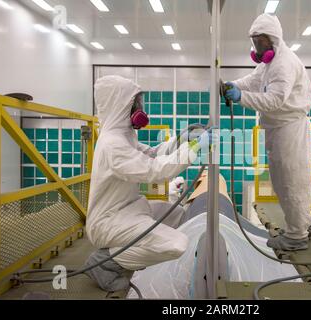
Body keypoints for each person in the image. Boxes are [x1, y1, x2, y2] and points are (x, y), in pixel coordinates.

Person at [84, 75, 214, 292]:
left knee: (177, 214)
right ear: (120, 104)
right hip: (109, 222)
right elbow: (155, 170)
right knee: (176, 244)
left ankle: (124, 254)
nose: (140, 109)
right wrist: (193, 149)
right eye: (135, 103)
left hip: (129, 211)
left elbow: (152, 155)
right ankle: (106, 261)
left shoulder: (123, 136)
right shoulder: (112, 145)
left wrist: (181, 139)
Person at [224, 13, 311, 251]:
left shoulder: (284, 63)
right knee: (287, 180)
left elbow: (274, 100)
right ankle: (306, 222)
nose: (256, 46)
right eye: (254, 41)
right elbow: (254, 80)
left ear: (273, 39)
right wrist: (234, 85)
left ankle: (296, 236)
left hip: (289, 127)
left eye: (260, 41)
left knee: (290, 182)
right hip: (279, 127)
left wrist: (241, 97)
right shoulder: (269, 62)